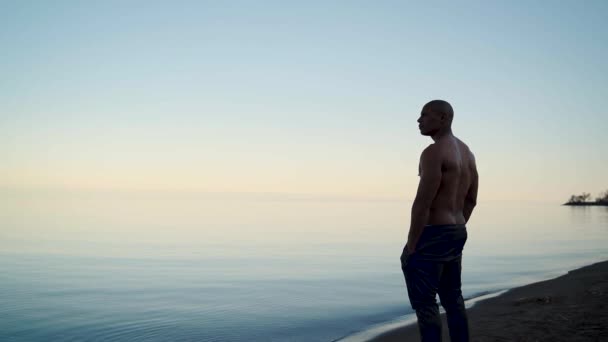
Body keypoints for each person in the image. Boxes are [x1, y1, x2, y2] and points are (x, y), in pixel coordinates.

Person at [400, 100, 478, 342]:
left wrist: (412, 244)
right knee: (453, 297)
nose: (419, 120)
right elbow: (471, 199)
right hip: (457, 229)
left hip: (433, 233)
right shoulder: (467, 152)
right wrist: (456, 226)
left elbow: (423, 203)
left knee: (425, 302)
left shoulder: (433, 152)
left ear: (443, 118)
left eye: (425, 115)